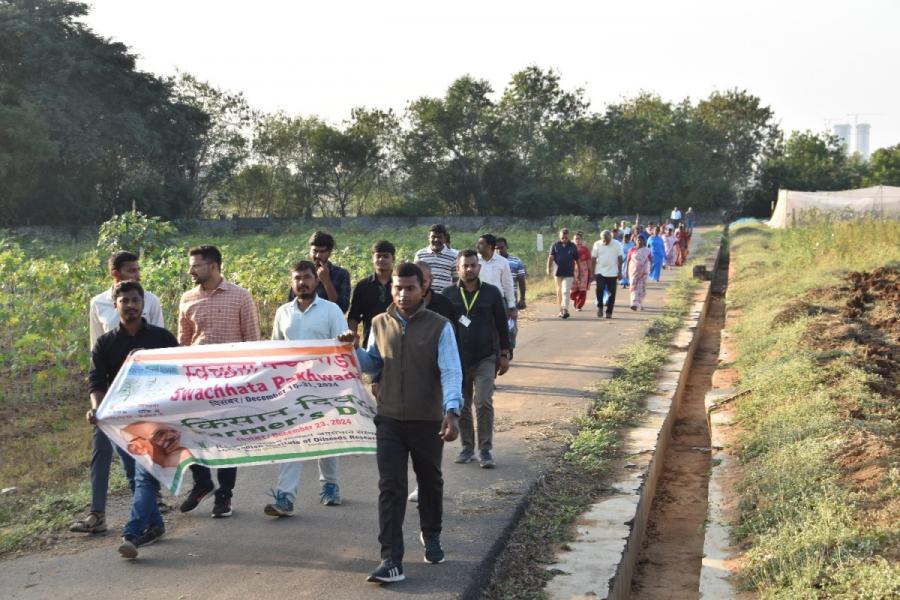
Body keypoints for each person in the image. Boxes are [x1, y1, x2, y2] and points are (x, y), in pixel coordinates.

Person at [346, 263, 463, 584]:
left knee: (429, 480)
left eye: (409, 288)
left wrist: (452, 412)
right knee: (391, 488)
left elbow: (451, 371)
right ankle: (391, 559)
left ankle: (432, 533)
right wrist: (353, 350)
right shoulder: (379, 323)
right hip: (389, 421)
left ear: (422, 289)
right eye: (398, 288)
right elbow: (373, 364)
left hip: (427, 420)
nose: (403, 294)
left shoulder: (440, 327)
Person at [82, 281, 179, 558]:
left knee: (146, 474)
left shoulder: (162, 339)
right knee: (133, 476)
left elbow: (181, 372)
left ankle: (132, 532)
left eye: (136, 300)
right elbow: (96, 382)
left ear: (143, 304)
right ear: (116, 306)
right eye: (125, 301)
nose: (131, 305)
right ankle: (156, 526)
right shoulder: (105, 343)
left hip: (158, 419)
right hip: (121, 421)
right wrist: (97, 410)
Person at [71, 252, 166, 534]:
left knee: (142, 452)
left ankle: (150, 506)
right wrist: (97, 404)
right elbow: (96, 353)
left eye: (138, 270)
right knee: (101, 448)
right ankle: (97, 513)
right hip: (111, 396)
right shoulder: (98, 303)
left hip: (145, 395)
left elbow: (162, 348)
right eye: (129, 271)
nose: (136, 275)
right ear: (115, 274)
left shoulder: (151, 300)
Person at [178, 245, 260, 518]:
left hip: (231, 382)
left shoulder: (240, 297)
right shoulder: (187, 299)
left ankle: (224, 496)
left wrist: (249, 382)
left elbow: (251, 341)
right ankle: (202, 481)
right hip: (197, 381)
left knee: (227, 438)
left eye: (196, 265)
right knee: (189, 432)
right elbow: (183, 342)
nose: (191, 270)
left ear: (213, 266)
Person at [264, 261, 350, 517]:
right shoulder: (283, 313)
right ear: (292, 282)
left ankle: (330, 485)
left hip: (324, 385)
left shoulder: (331, 310)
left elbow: (341, 347)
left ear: (316, 280)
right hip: (291, 386)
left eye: (307, 277)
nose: (302, 282)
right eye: (297, 278)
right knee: (291, 441)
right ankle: (285, 497)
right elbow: (275, 349)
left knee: (324, 438)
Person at [443, 250, 511, 468]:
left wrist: (504, 354)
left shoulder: (492, 293)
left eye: (473, 265)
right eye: (465, 266)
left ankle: (485, 450)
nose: (469, 269)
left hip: (486, 357)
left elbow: (502, 325)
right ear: (458, 268)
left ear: (479, 268)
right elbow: (441, 328)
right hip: (457, 360)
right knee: (461, 405)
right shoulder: (448, 295)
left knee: (483, 402)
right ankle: (466, 448)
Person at [347, 240, 396, 348]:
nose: (381, 259)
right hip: (369, 343)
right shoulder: (363, 286)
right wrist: (352, 337)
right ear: (372, 258)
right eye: (378, 256)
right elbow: (354, 315)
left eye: (385, 256)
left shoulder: (399, 285)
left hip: (397, 342)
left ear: (393, 258)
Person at [288, 231, 351, 312]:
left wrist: (326, 281)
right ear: (309, 250)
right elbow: (291, 305)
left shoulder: (341, 274)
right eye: (315, 251)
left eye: (322, 252)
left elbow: (341, 309)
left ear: (329, 252)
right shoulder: (300, 273)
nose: (317, 256)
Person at [414, 223, 458, 294]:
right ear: (428, 237)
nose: (436, 240)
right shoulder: (420, 254)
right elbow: (415, 277)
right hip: (423, 297)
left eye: (440, 237)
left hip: (444, 298)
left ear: (445, 238)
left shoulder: (455, 255)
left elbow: (456, 280)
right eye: (433, 237)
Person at [590, 230, 624, 319]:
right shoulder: (597, 244)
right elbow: (593, 258)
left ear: (611, 238)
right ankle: (600, 307)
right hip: (600, 271)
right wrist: (592, 272)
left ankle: (609, 311)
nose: (605, 242)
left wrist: (620, 271)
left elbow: (620, 258)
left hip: (612, 272)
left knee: (612, 293)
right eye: (603, 240)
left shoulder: (617, 244)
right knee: (599, 288)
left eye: (606, 240)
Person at [547, 228, 580, 319]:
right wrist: (548, 268)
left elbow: (577, 260)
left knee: (565, 291)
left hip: (569, 272)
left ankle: (565, 309)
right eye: (562, 238)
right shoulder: (555, 245)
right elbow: (550, 258)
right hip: (557, 272)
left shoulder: (572, 246)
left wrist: (579, 273)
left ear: (568, 236)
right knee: (559, 292)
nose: (564, 239)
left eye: (566, 237)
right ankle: (561, 310)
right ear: (560, 236)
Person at [495, 237, 527, 310]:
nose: (499, 250)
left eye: (501, 247)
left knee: (511, 319)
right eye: (496, 248)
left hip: (511, 296)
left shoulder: (516, 261)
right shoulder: (491, 263)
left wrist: (523, 299)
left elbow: (522, 281)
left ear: (507, 246)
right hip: (495, 296)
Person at [628, 236, 653, 311]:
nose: (639, 241)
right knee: (633, 286)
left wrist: (651, 269)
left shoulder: (647, 250)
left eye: (641, 239)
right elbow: (628, 260)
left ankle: (639, 303)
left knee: (642, 288)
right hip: (633, 272)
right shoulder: (631, 250)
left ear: (644, 241)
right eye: (638, 239)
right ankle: (634, 303)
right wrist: (625, 272)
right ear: (635, 241)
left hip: (643, 272)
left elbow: (651, 260)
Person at [570, 232, 592, 311]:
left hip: (583, 270)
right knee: (573, 290)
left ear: (581, 240)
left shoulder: (585, 249)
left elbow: (589, 260)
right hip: (572, 270)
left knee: (582, 289)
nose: (577, 240)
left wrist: (590, 271)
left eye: (579, 239)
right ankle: (575, 299)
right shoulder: (570, 248)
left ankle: (579, 305)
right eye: (576, 239)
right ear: (573, 239)